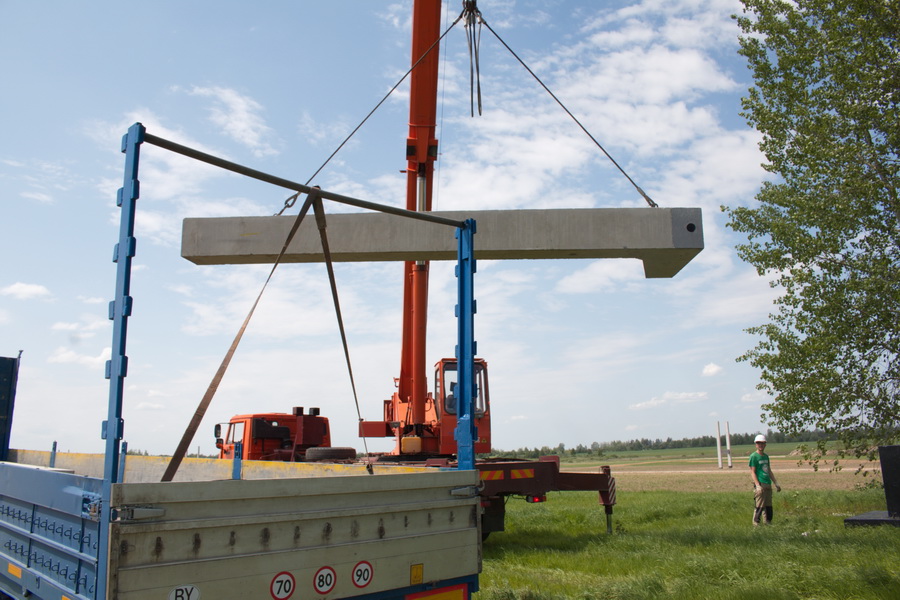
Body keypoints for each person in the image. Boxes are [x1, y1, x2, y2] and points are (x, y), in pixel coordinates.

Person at [749, 434, 781, 525]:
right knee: (759, 506)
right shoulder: (753, 456)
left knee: (768, 507)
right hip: (760, 484)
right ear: (756, 444)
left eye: (762, 443)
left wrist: (776, 483)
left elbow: (769, 470)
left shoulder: (766, 457)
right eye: (759, 443)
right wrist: (758, 485)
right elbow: (752, 472)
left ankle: (768, 524)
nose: (760, 445)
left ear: (765, 444)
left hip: (767, 483)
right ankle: (756, 525)